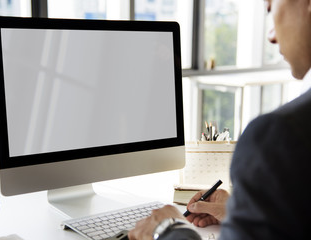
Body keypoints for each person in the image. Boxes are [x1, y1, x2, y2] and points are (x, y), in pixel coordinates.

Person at [128, 0, 311, 239]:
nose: (271, 36)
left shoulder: (280, 137)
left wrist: (168, 230)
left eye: (270, 8)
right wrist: (244, 212)